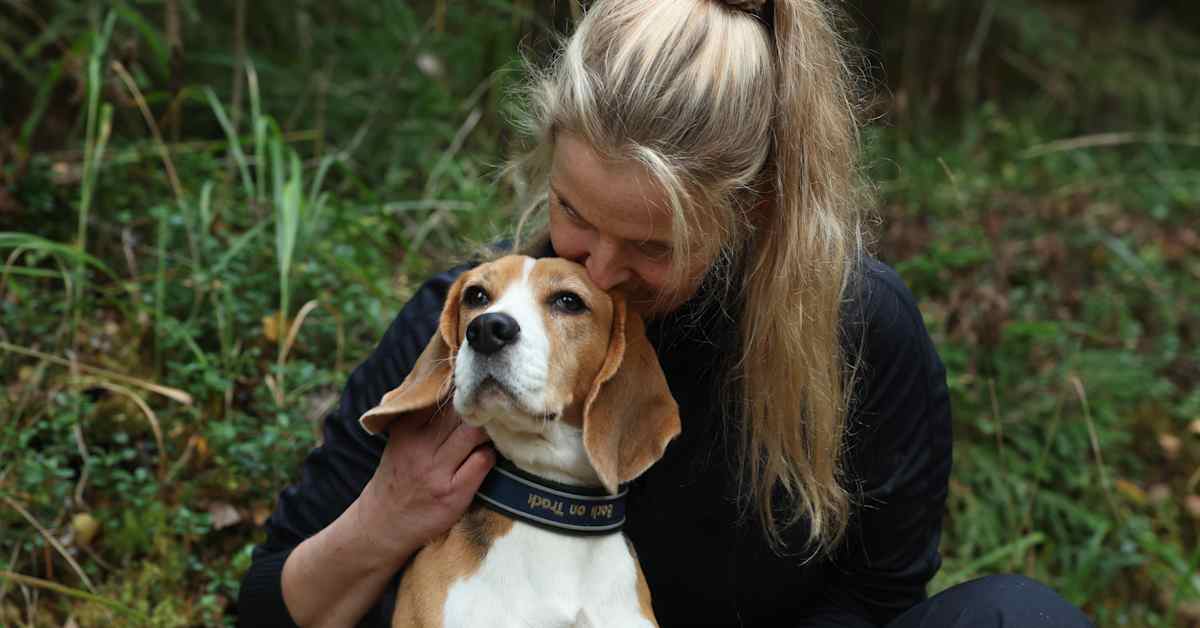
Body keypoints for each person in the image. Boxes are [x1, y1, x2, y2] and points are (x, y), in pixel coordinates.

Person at [238, 1, 1096, 626]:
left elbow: (879, 596)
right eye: (573, 210)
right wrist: (387, 516)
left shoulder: (859, 329)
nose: (597, 265)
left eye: (653, 245)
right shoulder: (472, 324)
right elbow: (267, 611)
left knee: (1018, 617)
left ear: (752, 209)